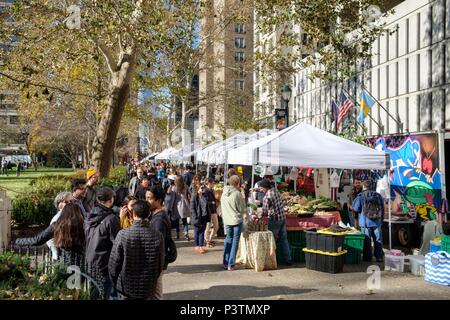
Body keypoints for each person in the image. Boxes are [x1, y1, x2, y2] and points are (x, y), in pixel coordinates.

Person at [109, 200, 165, 300]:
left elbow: (114, 263)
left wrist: (115, 282)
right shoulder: (157, 235)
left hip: (125, 287)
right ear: (149, 214)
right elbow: (160, 263)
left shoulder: (123, 234)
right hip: (147, 287)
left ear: (134, 214)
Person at [16, 203, 85, 267]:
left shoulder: (57, 226)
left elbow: (37, 240)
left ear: (64, 213)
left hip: (63, 262)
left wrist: (18, 241)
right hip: (82, 262)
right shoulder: (84, 225)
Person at [85, 187, 121, 300]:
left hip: (90, 261)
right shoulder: (111, 219)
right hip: (104, 264)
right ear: (111, 200)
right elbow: (117, 244)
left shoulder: (89, 215)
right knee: (103, 295)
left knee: (93, 294)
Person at [146, 185, 172, 300]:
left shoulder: (159, 220)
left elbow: (156, 244)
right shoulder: (156, 215)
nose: (147, 201)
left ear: (159, 200)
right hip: (158, 261)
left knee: (156, 294)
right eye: (146, 197)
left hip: (156, 262)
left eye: (149, 198)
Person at [258, 178, 292, 265]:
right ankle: (288, 259)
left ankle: (273, 260)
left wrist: (259, 215)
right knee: (284, 239)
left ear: (265, 187)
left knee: (272, 240)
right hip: (282, 218)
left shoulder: (267, 197)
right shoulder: (275, 190)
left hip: (274, 219)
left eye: (261, 188)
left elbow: (265, 211)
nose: (261, 190)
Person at [352, 180, 384, 262]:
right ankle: (379, 257)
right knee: (378, 239)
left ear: (364, 187)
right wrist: (381, 219)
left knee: (367, 239)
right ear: (371, 186)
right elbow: (382, 208)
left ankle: (367, 257)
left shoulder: (361, 196)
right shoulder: (378, 195)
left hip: (365, 222)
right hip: (377, 221)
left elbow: (355, 208)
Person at [220, 175, 246, 271]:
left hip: (227, 220)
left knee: (228, 240)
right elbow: (242, 209)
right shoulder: (237, 194)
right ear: (238, 183)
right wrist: (243, 197)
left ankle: (225, 262)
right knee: (234, 241)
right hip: (236, 220)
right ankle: (231, 264)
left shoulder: (224, 193)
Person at [46, 191, 74, 260]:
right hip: (63, 254)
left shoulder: (73, 214)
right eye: (66, 202)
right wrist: (55, 252)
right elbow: (49, 238)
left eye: (72, 201)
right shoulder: (57, 219)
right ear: (59, 204)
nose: (70, 204)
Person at [167, 176, 191, 240]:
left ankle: (178, 234)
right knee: (185, 221)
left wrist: (170, 207)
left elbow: (172, 198)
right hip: (185, 204)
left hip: (176, 205)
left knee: (176, 221)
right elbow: (190, 194)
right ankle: (186, 232)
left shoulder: (174, 187)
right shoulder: (185, 186)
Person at [191, 182, 210, 254]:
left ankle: (201, 246)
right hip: (197, 216)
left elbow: (207, 206)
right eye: (202, 188)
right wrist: (195, 217)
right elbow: (192, 208)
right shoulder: (194, 196)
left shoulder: (205, 196)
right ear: (198, 189)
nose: (203, 189)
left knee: (202, 231)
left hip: (204, 216)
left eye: (203, 188)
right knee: (197, 231)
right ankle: (197, 246)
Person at [204, 178, 218, 248]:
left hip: (213, 210)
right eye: (212, 183)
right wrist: (211, 202)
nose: (213, 184)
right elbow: (204, 201)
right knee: (208, 226)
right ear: (209, 183)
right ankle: (207, 241)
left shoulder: (212, 190)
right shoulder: (205, 190)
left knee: (216, 226)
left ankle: (210, 240)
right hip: (209, 211)